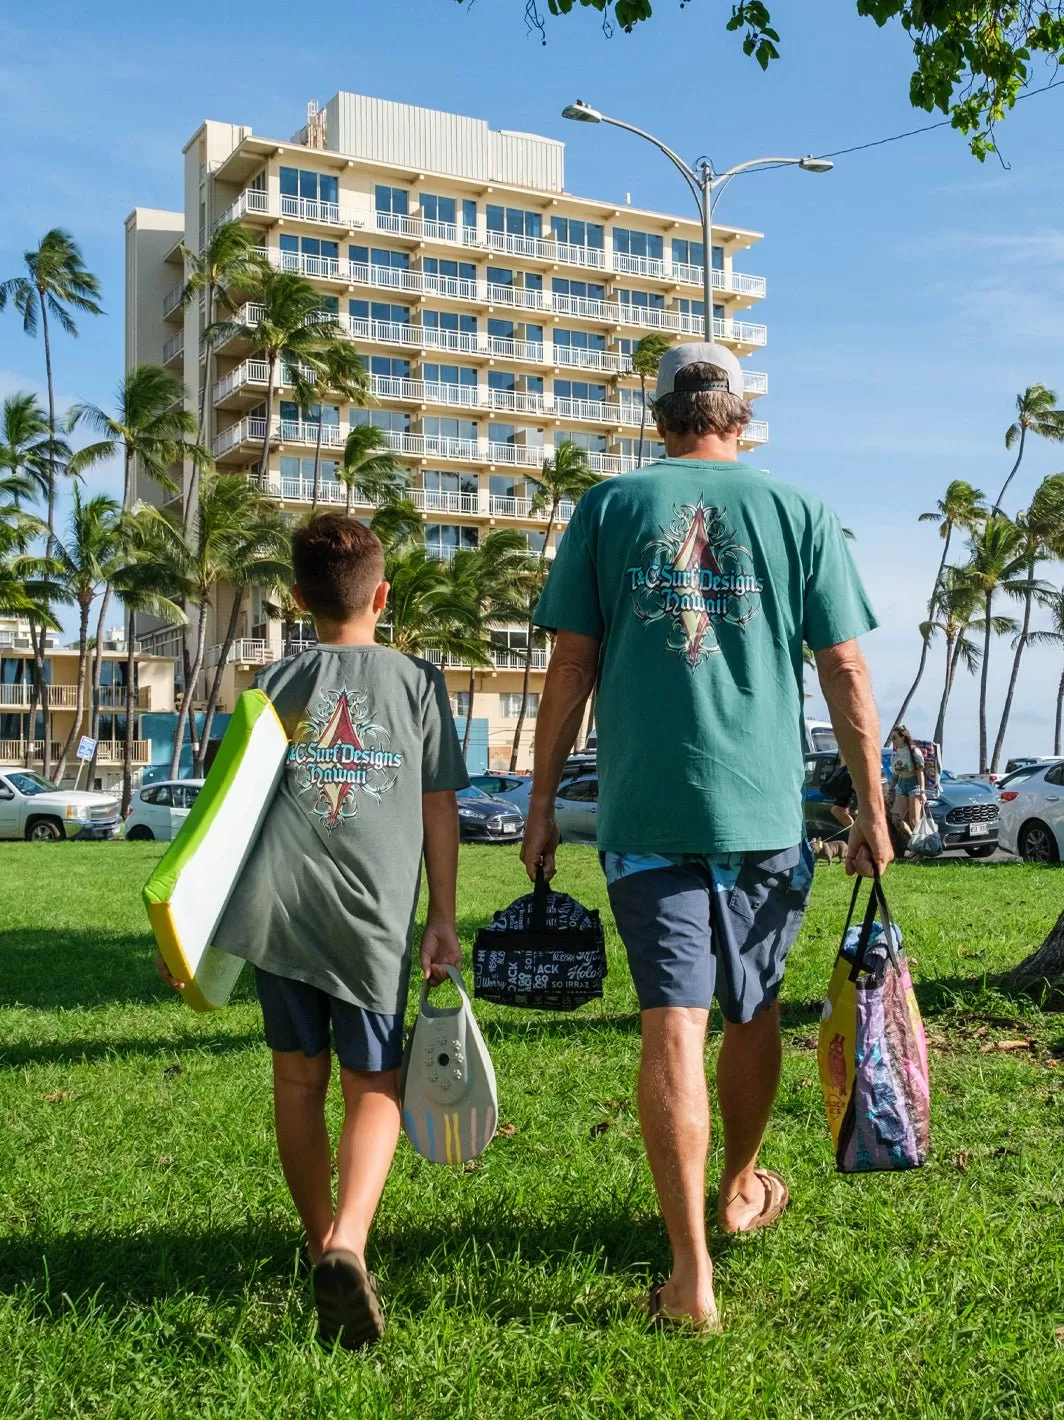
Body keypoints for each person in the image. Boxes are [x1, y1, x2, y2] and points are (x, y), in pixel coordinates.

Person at [520, 343, 892, 1332]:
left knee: (670, 1025)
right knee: (751, 1008)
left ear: (660, 421)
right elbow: (845, 670)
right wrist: (873, 807)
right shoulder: (797, 509)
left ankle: (690, 1277)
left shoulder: (607, 508)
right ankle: (734, 1186)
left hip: (644, 812)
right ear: (738, 419)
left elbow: (569, 668)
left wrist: (540, 800)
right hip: (763, 815)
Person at [155, 513, 468, 1349]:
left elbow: (227, 813)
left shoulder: (278, 681)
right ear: (384, 595)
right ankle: (349, 1244)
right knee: (373, 1084)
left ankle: (317, 1240)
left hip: (279, 913)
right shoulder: (419, 683)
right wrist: (441, 916)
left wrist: (182, 927)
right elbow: (440, 809)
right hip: (373, 922)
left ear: (296, 599)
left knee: (297, 1081)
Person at [888, 724, 926, 837]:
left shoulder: (914, 751)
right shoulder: (895, 754)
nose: (892, 741)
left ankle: (919, 848)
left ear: (903, 737)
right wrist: (890, 791)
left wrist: (922, 792)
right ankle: (913, 840)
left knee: (914, 821)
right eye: (891, 738)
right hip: (901, 785)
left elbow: (920, 772)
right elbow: (895, 775)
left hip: (914, 785)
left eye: (894, 738)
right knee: (896, 818)